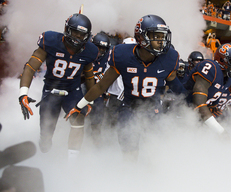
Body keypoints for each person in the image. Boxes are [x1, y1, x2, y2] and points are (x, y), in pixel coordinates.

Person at [65, 14, 184, 161]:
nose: (161, 41)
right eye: (156, 36)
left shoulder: (169, 57)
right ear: (142, 38)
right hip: (129, 110)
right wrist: (79, 106)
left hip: (153, 111)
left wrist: (193, 104)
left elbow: (178, 88)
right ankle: (130, 179)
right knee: (130, 155)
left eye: (163, 36)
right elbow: (102, 86)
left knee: (154, 155)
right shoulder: (123, 55)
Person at [18, 14, 98, 158]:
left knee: (78, 120)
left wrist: (90, 100)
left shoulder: (89, 51)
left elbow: (89, 76)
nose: (77, 37)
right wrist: (23, 93)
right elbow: (30, 67)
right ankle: (44, 144)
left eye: (82, 35)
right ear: (67, 30)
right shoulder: (50, 41)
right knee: (46, 137)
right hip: (51, 90)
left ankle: (72, 165)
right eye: (75, 32)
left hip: (73, 91)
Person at [183, 43, 231, 133]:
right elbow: (199, 103)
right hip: (183, 111)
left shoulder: (228, 78)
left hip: (196, 116)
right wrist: (220, 131)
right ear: (222, 60)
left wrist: (213, 107)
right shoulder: (211, 67)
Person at [87, 31, 111, 143]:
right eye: (98, 47)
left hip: (98, 90)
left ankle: (95, 135)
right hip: (83, 88)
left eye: (103, 49)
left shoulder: (108, 58)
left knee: (99, 111)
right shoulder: (84, 53)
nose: (100, 51)